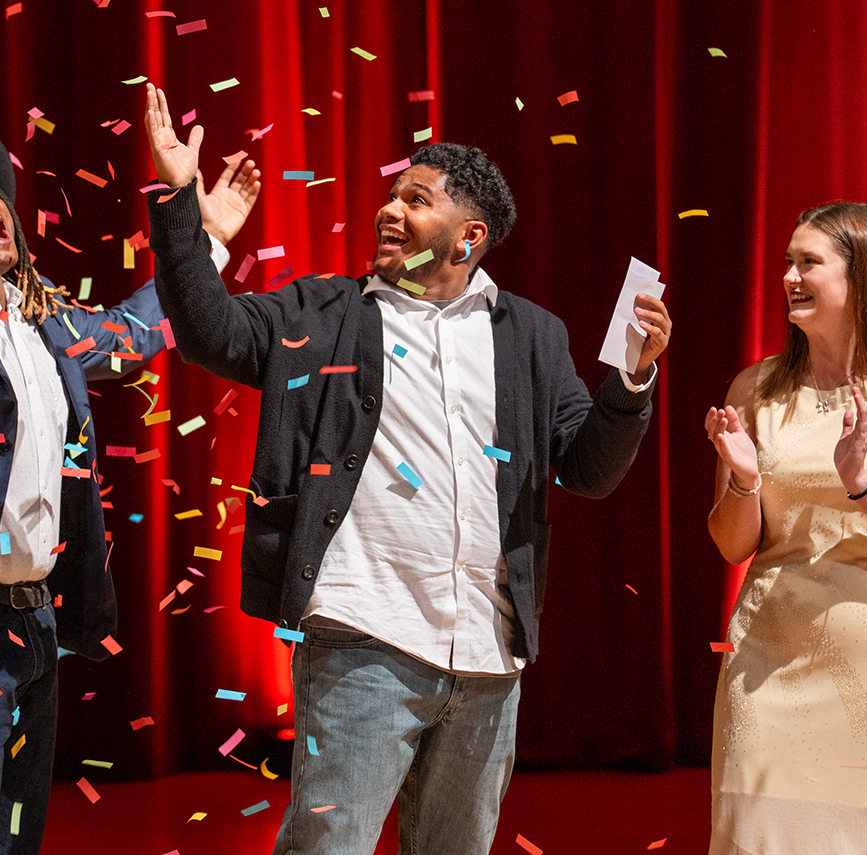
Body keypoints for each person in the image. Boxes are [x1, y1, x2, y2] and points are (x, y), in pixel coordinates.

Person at [140, 84, 673, 854]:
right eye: (390, 198)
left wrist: (630, 384)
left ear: (468, 237)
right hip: (364, 638)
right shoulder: (322, 315)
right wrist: (182, 208)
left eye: (416, 201)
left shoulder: (531, 334)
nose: (390, 211)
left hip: (489, 656)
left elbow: (587, 468)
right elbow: (208, 332)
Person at [0, 116, 257, 855]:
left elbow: (131, 334)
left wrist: (207, 237)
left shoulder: (42, 316)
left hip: (32, 625)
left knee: (9, 846)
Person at [703, 202, 867, 855]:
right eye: (787, 263)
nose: (791, 276)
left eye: (809, 263)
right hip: (766, 670)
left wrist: (864, 487)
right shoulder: (755, 389)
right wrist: (742, 477)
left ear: (864, 277)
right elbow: (732, 542)